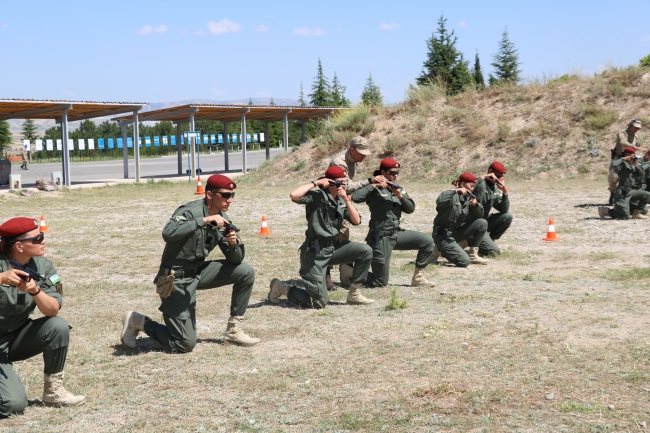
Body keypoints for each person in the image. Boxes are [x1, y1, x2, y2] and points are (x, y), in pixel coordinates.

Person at [121, 174, 259, 353]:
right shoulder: (190, 212)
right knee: (184, 344)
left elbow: (236, 260)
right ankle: (139, 322)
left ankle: (234, 330)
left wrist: (233, 244)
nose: (230, 200)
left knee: (245, 271)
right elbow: (168, 233)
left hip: (197, 272)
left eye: (232, 195)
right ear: (210, 194)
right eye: (225, 195)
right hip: (175, 279)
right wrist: (202, 221)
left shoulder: (222, 219)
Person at [0, 217, 85, 417]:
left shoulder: (43, 266)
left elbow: (52, 309)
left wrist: (35, 291)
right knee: (13, 405)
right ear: (19, 246)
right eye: (38, 238)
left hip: (14, 339)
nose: (43, 241)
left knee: (57, 326)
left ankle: (53, 392)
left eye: (42, 236)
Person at [268, 166, 375, 308]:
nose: (343, 185)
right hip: (315, 253)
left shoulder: (341, 200)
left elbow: (356, 221)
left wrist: (347, 200)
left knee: (365, 251)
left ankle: (354, 293)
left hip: (333, 248)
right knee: (318, 302)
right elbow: (294, 195)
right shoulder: (316, 197)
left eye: (344, 182)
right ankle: (281, 288)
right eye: (339, 182)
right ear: (330, 182)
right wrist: (315, 183)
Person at [352, 158, 435, 287]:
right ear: (383, 172)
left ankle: (418, 277)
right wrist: (373, 185)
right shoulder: (373, 188)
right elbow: (356, 197)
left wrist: (400, 196)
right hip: (380, 238)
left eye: (397, 173)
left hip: (396, 234)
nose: (395, 176)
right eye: (392, 173)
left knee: (427, 241)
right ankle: (349, 271)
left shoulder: (398, 188)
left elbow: (411, 208)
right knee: (380, 282)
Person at [326, 136, 385, 290]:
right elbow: (348, 187)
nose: (364, 156)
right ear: (352, 149)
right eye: (361, 153)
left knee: (344, 236)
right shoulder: (340, 162)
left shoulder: (353, 160)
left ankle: (346, 274)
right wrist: (370, 181)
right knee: (329, 238)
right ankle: (326, 278)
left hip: (340, 201)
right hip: (332, 204)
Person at [430, 172, 489, 266]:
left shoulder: (467, 198)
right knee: (464, 261)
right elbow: (440, 201)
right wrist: (455, 191)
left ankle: (473, 254)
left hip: (456, 233)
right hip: (443, 235)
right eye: (471, 186)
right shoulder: (451, 195)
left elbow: (480, 215)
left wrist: (475, 205)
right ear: (462, 184)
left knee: (482, 222)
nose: (473, 189)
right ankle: (436, 251)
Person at [469, 161, 513, 256]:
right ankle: (471, 241)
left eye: (501, 177)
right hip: (472, 223)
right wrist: (484, 177)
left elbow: (504, 210)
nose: (499, 179)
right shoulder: (478, 183)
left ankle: (488, 242)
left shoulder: (494, 188)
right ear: (490, 172)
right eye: (497, 176)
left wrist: (504, 192)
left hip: (483, 222)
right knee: (494, 252)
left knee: (507, 217)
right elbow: (471, 186)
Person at [598, 147, 650, 220]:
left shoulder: (633, 163)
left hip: (631, 191)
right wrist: (623, 159)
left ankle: (636, 214)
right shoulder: (622, 163)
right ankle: (607, 211)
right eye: (631, 154)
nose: (633, 156)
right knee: (624, 217)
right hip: (622, 193)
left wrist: (636, 165)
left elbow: (641, 173)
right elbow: (614, 165)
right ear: (626, 154)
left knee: (646, 197)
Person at [608, 119, 643, 204]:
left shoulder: (636, 136)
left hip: (629, 159)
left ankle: (624, 197)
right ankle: (612, 193)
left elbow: (636, 145)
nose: (636, 129)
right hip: (619, 158)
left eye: (638, 128)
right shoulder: (622, 133)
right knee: (613, 178)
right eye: (635, 127)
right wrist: (634, 146)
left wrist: (637, 148)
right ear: (630, 125)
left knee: (629, 179)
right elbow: (623, 142)